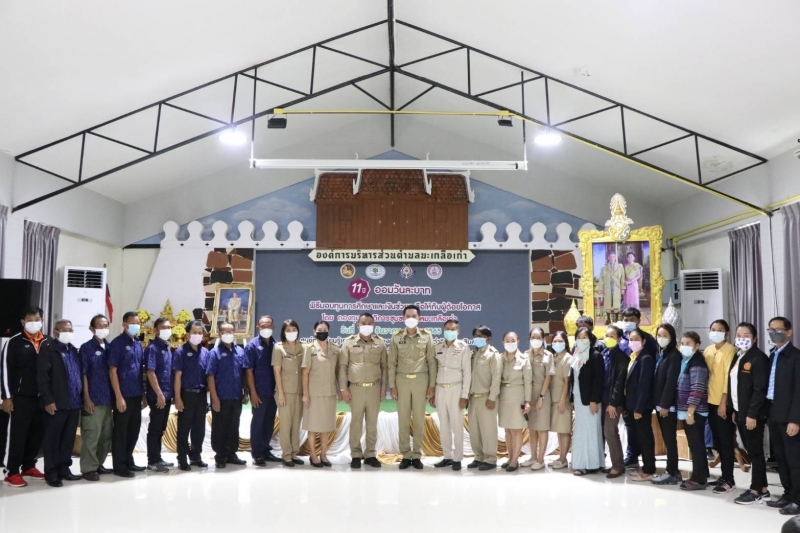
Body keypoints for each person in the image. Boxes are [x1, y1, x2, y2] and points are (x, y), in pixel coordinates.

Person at [1, 307, 47, 488]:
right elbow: (5, 370)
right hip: (20, 397)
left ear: (42, 320)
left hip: (41, 397)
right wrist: (6, 397)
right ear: (23, 321)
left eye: (37, 318)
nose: (34, 322)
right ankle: (11, 472)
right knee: (17, 436)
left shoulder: (47, 342)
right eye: (30, 319)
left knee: (36, 434)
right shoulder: (14, 342)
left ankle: (28, 466)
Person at [389, 305, 436, 470]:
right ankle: (405, 455)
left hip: (420, 381)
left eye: (414, 316)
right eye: (407, 316)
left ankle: (416, 455)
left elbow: (431, 362)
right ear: (403, 318)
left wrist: (432, 385)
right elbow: (391, 363)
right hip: (401, 381)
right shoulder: (396, 337)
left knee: (419, 420)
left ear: (419, 318)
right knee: (403, 420)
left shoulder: (427, 336)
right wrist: (392, 386)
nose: (411, 318)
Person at [37, 319, 83, 487]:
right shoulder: (49, 349)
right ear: (55, 332)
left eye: (70, 330)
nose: (68, 333)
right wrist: (48, 400)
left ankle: (64, 468)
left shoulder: (74, 351)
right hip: (56, 402)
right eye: (64, 330)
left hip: (74, 402)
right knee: (52, 439)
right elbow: (42, 377)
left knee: (68, 438)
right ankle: (51, 472)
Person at [339, 312, 388, 469]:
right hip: (356, 389)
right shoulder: (348, 342)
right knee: (356, 423)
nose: (366, 326)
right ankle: (355, 454)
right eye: (363, 323)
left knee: (372, 423)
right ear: (358, 325)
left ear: (374, 325)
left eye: (369, 323)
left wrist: (383, 388)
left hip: (374, 388)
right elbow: (343, 367)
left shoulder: (380, 343)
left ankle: (370, 455)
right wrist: (343, 388)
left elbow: (384, 367)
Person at [729, 322, 771, 505]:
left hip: (752, 415)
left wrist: (752, 414)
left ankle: (755, 490)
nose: (742, 338)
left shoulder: (758, 358)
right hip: (740, 411)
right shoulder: (738, 356)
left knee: (755, 452)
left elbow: (760, 389)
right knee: (751, 450)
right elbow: (735, 386)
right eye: (739, 335)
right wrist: (735, 410)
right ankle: (763, 489)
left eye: (746, 335)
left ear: (755, 339)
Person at [764, 317, 800, 515]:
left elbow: (798, 391)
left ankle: (798, 500)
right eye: (771, 329)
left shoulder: (796, 356)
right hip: (774, 413)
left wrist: (795, 419)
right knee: (781, 458)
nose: (774, 333)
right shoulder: (772, 354)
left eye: (778, 329)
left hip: (789, 417)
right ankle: (788, 494)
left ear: (789, 332)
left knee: (794, 460)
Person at [108, 311, 146, 477]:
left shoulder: (138, 343)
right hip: (123, 395)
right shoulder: (117, 343)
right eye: (133, 323)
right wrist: (118, 396)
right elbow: (112, 370)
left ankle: (128, 459)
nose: (136, 326)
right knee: (121, 432)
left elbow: (139, 370)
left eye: (138, 323)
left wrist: (143, 394)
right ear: (124, 325)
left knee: (133, 430)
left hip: (136, 394)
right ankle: (119, 465)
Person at [619, 307, 658, 469]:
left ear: (638, 320)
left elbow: (646, 377)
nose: (628, 323)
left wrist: (640, 405)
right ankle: (632, 456)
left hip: (641, 397)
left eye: (632, 320)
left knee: (643, 431)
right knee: (631, 428)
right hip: (627, 395)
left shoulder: (648, 341)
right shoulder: (621, 338)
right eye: (626, 320)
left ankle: (648, 464)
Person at [206, 322, 247, 469]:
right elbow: (210, 376)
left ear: (234, 333)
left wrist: (246, 392)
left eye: (231, 331)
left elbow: (244, 374)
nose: (228, 334)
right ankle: (220, 456)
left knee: (234, 426)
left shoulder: (240, 351)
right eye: (225, 331)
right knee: (220, 427)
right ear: (219, 333)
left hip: (236, 396)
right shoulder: (214, 353)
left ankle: (231, 454)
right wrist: (214, 398)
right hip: (221, 397)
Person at [432, 320, 471, 471]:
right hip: (440, 389)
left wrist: (464, 395)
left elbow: (467, 373)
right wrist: (432, 393)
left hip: (456, 389)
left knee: (456, 425)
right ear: (443, 330)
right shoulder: (437, 347)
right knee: (444, 426)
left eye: (453, 329)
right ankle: (447, 456)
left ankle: (458, 458)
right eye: (447, 329)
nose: (450, 331)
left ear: (458, 331)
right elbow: (434, 371)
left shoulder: (463, 347)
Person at [704, 319, 737, 494]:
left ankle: (729, 479)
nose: (716, 332)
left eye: (720, 330)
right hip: (709, 401)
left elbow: (727, 379)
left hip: (722, 403)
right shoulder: (708, 350)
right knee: (716, 441)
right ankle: (723, 476)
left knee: (726, 441)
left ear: (726, 333)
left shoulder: (730, 350)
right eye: (713, 329)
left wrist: (724, 403)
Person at [79, 314, 113, 481]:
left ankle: (98, 463)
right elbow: (83, 374)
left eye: (106, 325)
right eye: (100, 326)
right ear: (92, 329)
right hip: (94, 398)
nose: (103, 329)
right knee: (92, 435)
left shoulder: (110, 347)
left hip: (109, 399)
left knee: (105, 436)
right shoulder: (86, 348)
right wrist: (86, 398)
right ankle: (88, 468)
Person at [302, 320, 341, 467]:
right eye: (319, 329)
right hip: (313, 394)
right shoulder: (309, 349)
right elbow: (305, 373)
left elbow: (338, 372)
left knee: (326, 426)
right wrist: (305, 394)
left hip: (329, 393)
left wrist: (340, 389)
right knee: (313, 427)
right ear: (314, 331)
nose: (322, 332)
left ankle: (323, 454)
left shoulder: (335, 349)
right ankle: (313, 455)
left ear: (329, 331)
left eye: (325, 329)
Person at [173, 320, 210, 471]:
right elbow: (177, 376)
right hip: (186, 394)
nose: (197, 335)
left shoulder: (206, 352)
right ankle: (182, 458)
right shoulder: (180, 351)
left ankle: (196, 456)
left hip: (201, 395)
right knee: (184, 428)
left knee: (199, 428)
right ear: (188, 334)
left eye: (200, 333)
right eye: (194, 332)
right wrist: (177, 398)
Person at [244, 315, 280, 466]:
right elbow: (248, 371)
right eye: (263, 325)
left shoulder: (277, 345)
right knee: (258, 422)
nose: (266, 328)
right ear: (258, 327)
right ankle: (257, 453)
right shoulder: (252, 346)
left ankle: (265, 450)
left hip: (274, 392)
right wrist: (252, 392)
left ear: (273, 327)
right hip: (259, 392)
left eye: (269, 325)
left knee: (269, 422)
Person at [676, 331, 710, 490]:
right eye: (682, 343)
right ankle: (702, 474)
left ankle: (699, 479)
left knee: (696, 445)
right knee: (695, 444)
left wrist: (690, 411)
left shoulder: (697, 364)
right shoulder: (686, 361)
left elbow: (697, 388)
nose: (684, 346)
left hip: (694, 411)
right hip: (688, 411)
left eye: (688, 343)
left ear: (697, 345)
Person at [467, 325, 502, 471]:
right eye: (476, 335)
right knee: (475, 431)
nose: (478, 338)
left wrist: (492, 398)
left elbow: (496, 378)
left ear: (488, 338)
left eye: (481, 336)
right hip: (473, 398)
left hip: (486, 398)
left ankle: (490, 459)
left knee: (488, 430)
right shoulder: (472, 354)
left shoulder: (493, 355)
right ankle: (478, 457)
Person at [571, 327, 605, 476]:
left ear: (590, 339)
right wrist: (572, 398)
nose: (581, 340)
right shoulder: (576, 354)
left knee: (591, 431)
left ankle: (591, 464)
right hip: (578, 397)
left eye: (584, 337)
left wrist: (593, 400)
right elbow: (573, 378)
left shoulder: (596, 356)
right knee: (581, 431)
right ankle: (580, 462)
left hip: (591, 400)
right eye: (579, 337)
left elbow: (598, 380)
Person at [651, 323, 682, 485]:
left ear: (672, 337)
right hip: (659, 403)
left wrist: (665, 404)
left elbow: (671, 382)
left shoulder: (674, 355)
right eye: (659, 335)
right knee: (666, 437)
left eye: (665, 335)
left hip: (667, 405)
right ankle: (672, 470)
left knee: (670, 439)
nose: (661, 338)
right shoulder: (661, 353)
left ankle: (672, 472)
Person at [272, 319, 306, 467]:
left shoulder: (303, 347)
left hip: (300, 391)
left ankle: (294, 453)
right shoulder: (279, 347)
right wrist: (281, 393)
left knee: (296, 424)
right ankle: (286, 455)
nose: (291, 332)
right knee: (286, 425)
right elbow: (277, 372)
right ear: (283, 332)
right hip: (284, 392)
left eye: (294, 329)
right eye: (288, 330)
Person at [498, 332, 531, 472]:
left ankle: (514, 460)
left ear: (518, 341)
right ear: (502, 342)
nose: (510, 343)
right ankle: (510, 457)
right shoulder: (499, 358)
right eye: (507, 340)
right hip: (504, 396)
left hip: (518, 396)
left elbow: (528, 382)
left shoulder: (524, 359)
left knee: (516, 430)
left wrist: (527, 401)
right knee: (507, 430)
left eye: (513, 340)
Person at [626, 327, 656, 482]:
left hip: (642, 407)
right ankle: (645, 467)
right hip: (633, 405)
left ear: (643, 341)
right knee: (640, 437)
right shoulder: (634, 357)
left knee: (645, 437)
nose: (633, 342)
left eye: (636, 339)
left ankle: (649, 469)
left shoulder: (646, 358)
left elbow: (644, 386)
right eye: (631, 339)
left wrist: (638, 408)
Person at [522, 326, 554, 471]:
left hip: (542, 393)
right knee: (532, 428)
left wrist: (541, 396)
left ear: (543, 339)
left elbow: (548, 377)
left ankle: (541, 459)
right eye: (533, 337)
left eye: (538, 337)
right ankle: (533, 457)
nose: (535, 340)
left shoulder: (548, 355)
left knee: (542, 428)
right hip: (529, 394)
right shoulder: (525, 355)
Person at [145, 317, 174, 472]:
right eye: (163, 327)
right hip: (158, 396)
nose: (167, 330)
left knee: (161, 428)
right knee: (155, 428)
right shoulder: (152, 348)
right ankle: (152, 460)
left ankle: (158, 457)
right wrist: (159, 394)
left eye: (169, 327)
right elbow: (151, 372)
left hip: (167, 394)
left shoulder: (167, 346)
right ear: (156, 330)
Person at [602, 325, 629, 478]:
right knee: (609, 432)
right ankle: (617, 463)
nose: (608, 338)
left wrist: (613, 403)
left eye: (612, 336)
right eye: (606, 335)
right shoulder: (604, 354)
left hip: (614, 402)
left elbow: (619, 382)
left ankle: (617, 466)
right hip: (603, 400)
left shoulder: (622, 357)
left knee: (610, 431)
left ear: (618, 339)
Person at [548, 331, 573, 469]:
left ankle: (563, 459)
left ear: (566, 343)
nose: (557, 343)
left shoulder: (567, 358)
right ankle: (560, 456)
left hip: (562, 399)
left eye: (560, 341)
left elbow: (566, 382)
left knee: (564, 430)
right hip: (553, 398)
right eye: (555, 341)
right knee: (559, 429)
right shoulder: (554, 357)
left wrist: (563, 400)